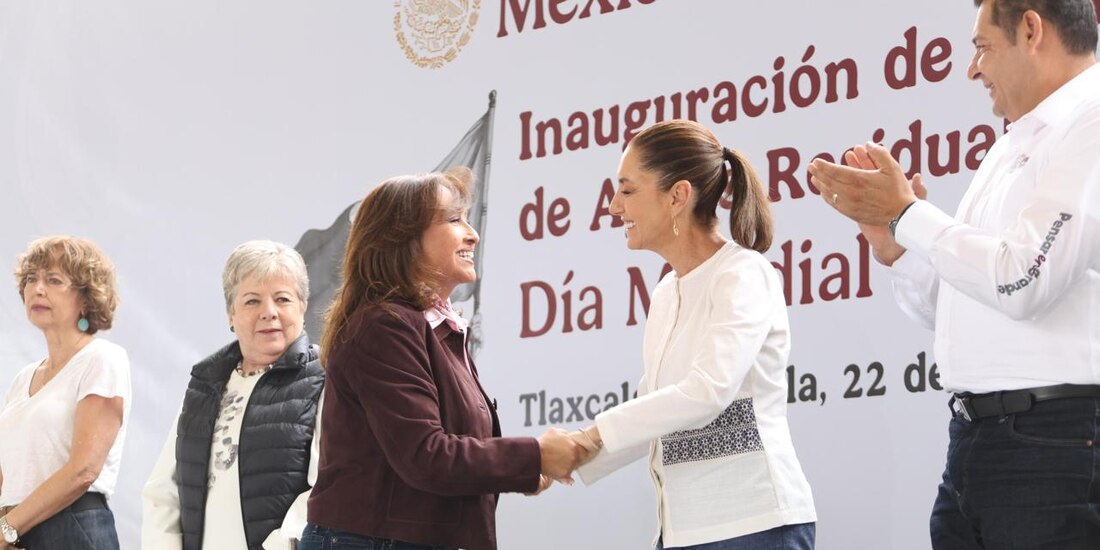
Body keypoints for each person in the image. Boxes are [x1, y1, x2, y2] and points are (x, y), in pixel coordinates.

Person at [807, 1, 1100, 547]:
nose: (972, 69)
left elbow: (1023, 280)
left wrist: (910, 214)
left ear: (1031, 30)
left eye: (982, 47)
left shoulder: (1092, 122)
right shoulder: (1012, 143)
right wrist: (898, 245)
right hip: (974, 442)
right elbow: (957, 304)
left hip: (1053, 446)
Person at [302, 167, 583, 550]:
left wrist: (523, 469)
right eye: (454, 219)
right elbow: (427, 456)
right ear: (402, 239)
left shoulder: (429, 327)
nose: (473, 233)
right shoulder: (384, 326)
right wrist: (534, 455)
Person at [571, 119, 817, 549]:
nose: (613, 206)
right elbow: (652, 413)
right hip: (682, 531)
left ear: (678, 196)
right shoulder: (667, 292)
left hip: (753, 526)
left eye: (627, 190)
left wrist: (588, 438)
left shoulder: (742, 274)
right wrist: (564, 461)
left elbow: (708, 392)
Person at [141, 240, 325, 550]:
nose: (269, 312)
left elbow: (327, 485)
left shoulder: (324, 377)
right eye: (252, 301)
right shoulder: (206, 384)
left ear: (303, 307)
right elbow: (163, 492)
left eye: (282, 299)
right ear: (230, 313)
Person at [0, 236, 130, 549]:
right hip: (17, 532)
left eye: (54, 280)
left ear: (86, 298)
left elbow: (83, 470)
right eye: (31, 279)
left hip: (71, 529)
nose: (38, 289)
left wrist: (7, 528)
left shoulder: (102, 359)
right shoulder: (23, 378)